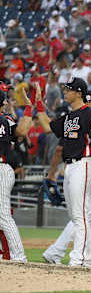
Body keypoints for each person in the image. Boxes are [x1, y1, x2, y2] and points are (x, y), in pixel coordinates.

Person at [37, 78, 91, 267]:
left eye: (68, 90)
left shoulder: (89, 113)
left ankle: (78, 258)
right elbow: (47, 127)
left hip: (84, 164)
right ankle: (90, 257)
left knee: (80, 214)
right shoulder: (69, 116)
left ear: (78, 92)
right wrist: (37, 104)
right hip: (70, 167)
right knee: (77, 215)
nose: (64, 92)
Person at [0, 88, 32, 262]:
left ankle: (19, 256)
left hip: (3, 168)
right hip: (4, 169)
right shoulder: (5, 120)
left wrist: (29, 108)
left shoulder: (4, 120)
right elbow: (20, 131)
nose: (6, 103)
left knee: (4, 215)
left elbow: (21, 132)